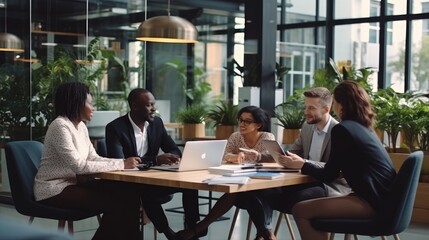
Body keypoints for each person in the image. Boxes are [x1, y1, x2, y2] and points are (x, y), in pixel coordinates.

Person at [280, 80, 397, 240]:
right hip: (386, 200)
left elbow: (329, 174)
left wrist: (303, 164)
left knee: (301, 210)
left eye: (334, 102)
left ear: (341, 104)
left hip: (372, 202)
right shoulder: (364, 128)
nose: (333, 106)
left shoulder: (343, 129)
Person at [34, 81, 142, 240]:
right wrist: (121, 164)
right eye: (90, 103)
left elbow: (93, 158)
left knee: (130, 195)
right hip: (54, 188)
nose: (93, 108)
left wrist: (123, 164)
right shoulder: (60, 126)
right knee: (116, 204)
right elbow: (78, 166)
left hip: (75, 183)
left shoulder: (81, 127)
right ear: (77, 103)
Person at [105, 88, 200, 240]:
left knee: (190, 185)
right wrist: (155, 160)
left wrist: (173, 157)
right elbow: (118, 161)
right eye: (149, 105)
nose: (154, 108)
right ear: (135, 106)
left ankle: (193, 229)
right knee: (144, 189)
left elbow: (173, 148)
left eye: (154, 104)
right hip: (128, 185)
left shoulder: (156, 123)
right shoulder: (116, 128)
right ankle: (169, 232)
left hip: (154, 180)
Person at [176, 105, 277, 240]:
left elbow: (271, 158)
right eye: (240, 120)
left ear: (258, 125)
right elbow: (224, 155)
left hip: (262, 186)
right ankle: (264, 233)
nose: (242, 124)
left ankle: (200, 227)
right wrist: (232, 157)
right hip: (243, 186)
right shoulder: (236, 137)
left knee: (241, 192)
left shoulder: (267, 137)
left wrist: (251, 157)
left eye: (247, 121)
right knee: (239, 191)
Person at [265, 87, 351, 215]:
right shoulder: (307, 127)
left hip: (331, 185)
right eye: (306, 107)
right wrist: (258, 156)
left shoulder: (339, 131)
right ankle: (265, 232)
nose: (306, 112)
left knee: (294, 201)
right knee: (265, 192)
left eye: (311, 108)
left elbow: (336, 169)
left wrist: (303, 163)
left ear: (326, 109)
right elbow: (292, 152)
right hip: (306, 179)